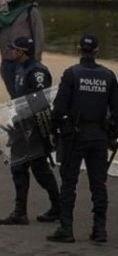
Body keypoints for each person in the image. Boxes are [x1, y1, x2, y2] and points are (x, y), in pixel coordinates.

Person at [47, 35, 118, 243]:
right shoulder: (109, 76)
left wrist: (53, 130)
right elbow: (116, 111)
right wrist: (113, 135)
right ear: (96, 52)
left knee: (69, 183)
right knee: (98, 184)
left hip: (75, 136)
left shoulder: (71, 74)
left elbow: (59, 107)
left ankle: (66, 228)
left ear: (79, 50)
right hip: (99, 136)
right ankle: (100, 229)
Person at [0, 36, 60, 225]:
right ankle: (20, 211)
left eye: (14, 49)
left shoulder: (37, 72)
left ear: (22, 52)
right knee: (18, 168)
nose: (11, 51)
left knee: (40, 170)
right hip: (20, 125)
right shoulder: (20, 69)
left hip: (33, 127)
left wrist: (40, 130)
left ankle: (58, 206)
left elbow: (40, 104)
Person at [0, 0, 45, 98]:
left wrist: (36, 60)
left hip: (24, 62)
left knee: (26, 97)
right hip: (6, 61)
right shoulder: (3, 11)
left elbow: (39, 36)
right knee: (14, 97)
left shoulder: (30, 11)